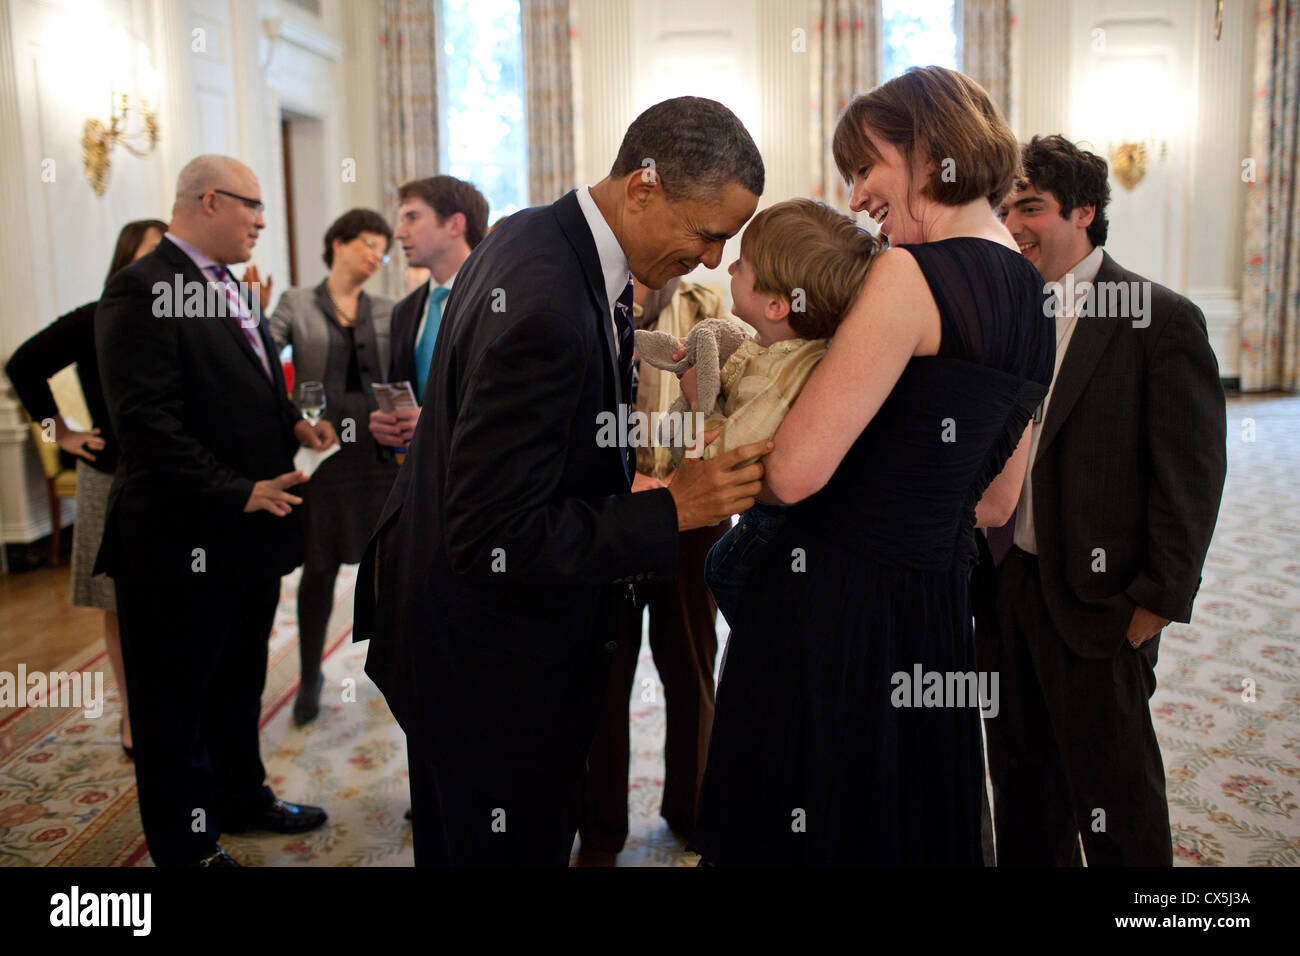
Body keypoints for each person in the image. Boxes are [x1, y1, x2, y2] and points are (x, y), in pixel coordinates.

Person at [354, 96, 773, 866]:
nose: (714, 260)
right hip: (491, 667)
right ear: (643, 189)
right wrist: (670, 511)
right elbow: (491, 536)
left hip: (458, 639)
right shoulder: (547, 307)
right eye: (707, 233)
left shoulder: (535, 232)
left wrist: (623, 491)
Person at [689, 66, 1055, 865]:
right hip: (929, 611)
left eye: (865, 168)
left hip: (828, 606)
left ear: (930, 150)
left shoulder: (908, 274)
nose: (855, 196)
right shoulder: (1035, 296)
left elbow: (792, 476)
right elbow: (997, 503)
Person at [974, 135, 1227, 866]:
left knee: (1117, 805)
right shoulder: (1003, 312)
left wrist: (1155, 603)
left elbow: (1191, 479)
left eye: (1031, 207)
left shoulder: (1161, 319)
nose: (1013, 223)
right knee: (1022, 786)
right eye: (1005, 207)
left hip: (1102, 604)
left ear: (1084, 210)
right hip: (1005, 587)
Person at [95, 154, 338, 867]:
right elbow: (146, 424)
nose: (263, 221)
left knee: (236, 685)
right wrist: (239, 489)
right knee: (175, 709)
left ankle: (242, 798)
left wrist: (296, 424)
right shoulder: (139, 290)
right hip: (175, 543)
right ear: (208, 201)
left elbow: (254, 386)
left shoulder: (226, 285)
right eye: (252, 206)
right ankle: (188, 848)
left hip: (246, 540)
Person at [575, 275, 728, 865]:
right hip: (613, 513)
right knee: (603, 677)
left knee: (691, 667)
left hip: (694, 519)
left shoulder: (708, 307)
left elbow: (732, 405)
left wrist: (685, 483)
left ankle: (692, 812)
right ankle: (600, 831)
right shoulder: (593, 301)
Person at [5, 218, 167, 757]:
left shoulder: (184, 317)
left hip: (175, 481)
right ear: (125, 262)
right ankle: (133, 716)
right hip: (111, 476)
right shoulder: (98, 317)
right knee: (119, 603)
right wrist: (61, 434)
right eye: (150, 254)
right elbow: (24, 364)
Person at [693, 200, 882, 624]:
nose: (728, 270)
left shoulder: (778, 377)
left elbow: (724, 453)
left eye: (741, 265)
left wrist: (698, 400)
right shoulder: (793, 349)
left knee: (723, 574)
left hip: (771, 527)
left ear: (777, 306)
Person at [269, 209, 397, 725]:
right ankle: (309, 674)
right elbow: (257, 358)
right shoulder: (295, 303)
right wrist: (295, 420)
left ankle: (395, 671)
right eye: (367, 243)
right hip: (322, 451)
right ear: (338, 242)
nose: (376, 256)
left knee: (389, 570)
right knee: (318, 567)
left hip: (380, 452)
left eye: (383, 250)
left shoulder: (390, 307)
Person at [367, 176, 489, 452]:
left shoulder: (499, 299)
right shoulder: (404, 310)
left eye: (412, 218)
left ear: (454, 225)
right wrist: (390, 424)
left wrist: (439, 422)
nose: (398, 233)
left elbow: (515, 399)